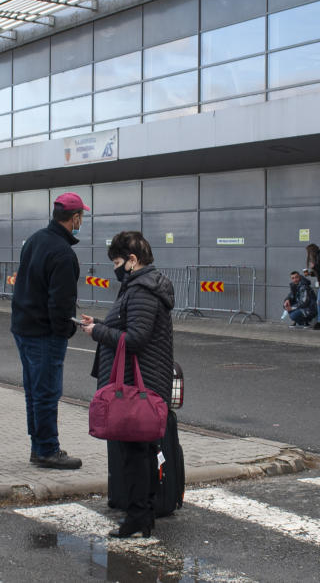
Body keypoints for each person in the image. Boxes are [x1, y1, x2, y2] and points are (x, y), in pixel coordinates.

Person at [80, 231, 174, 538]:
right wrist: (101, 324)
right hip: (142, 383)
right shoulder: (139, 286)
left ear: (133, 261)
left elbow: (135, 339)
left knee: (135, 453)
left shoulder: (142, 290)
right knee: (141, 451)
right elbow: (129, 327)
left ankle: (137, 517)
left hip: (137, 386)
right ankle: (142, 516)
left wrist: (98, 333)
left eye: (118, 262)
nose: (116, 268)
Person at [11, 192, 88, 470]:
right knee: (46, 392)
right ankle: (47, 450)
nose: (82, 220)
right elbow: (61, 302)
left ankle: (38, 446)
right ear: (74, 217)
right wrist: (65, 329)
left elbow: (23, 283)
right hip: (44, 333)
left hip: (23, 327)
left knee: (34, 391)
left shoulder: (34, 240)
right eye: (82, 216)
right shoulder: (62, 253)